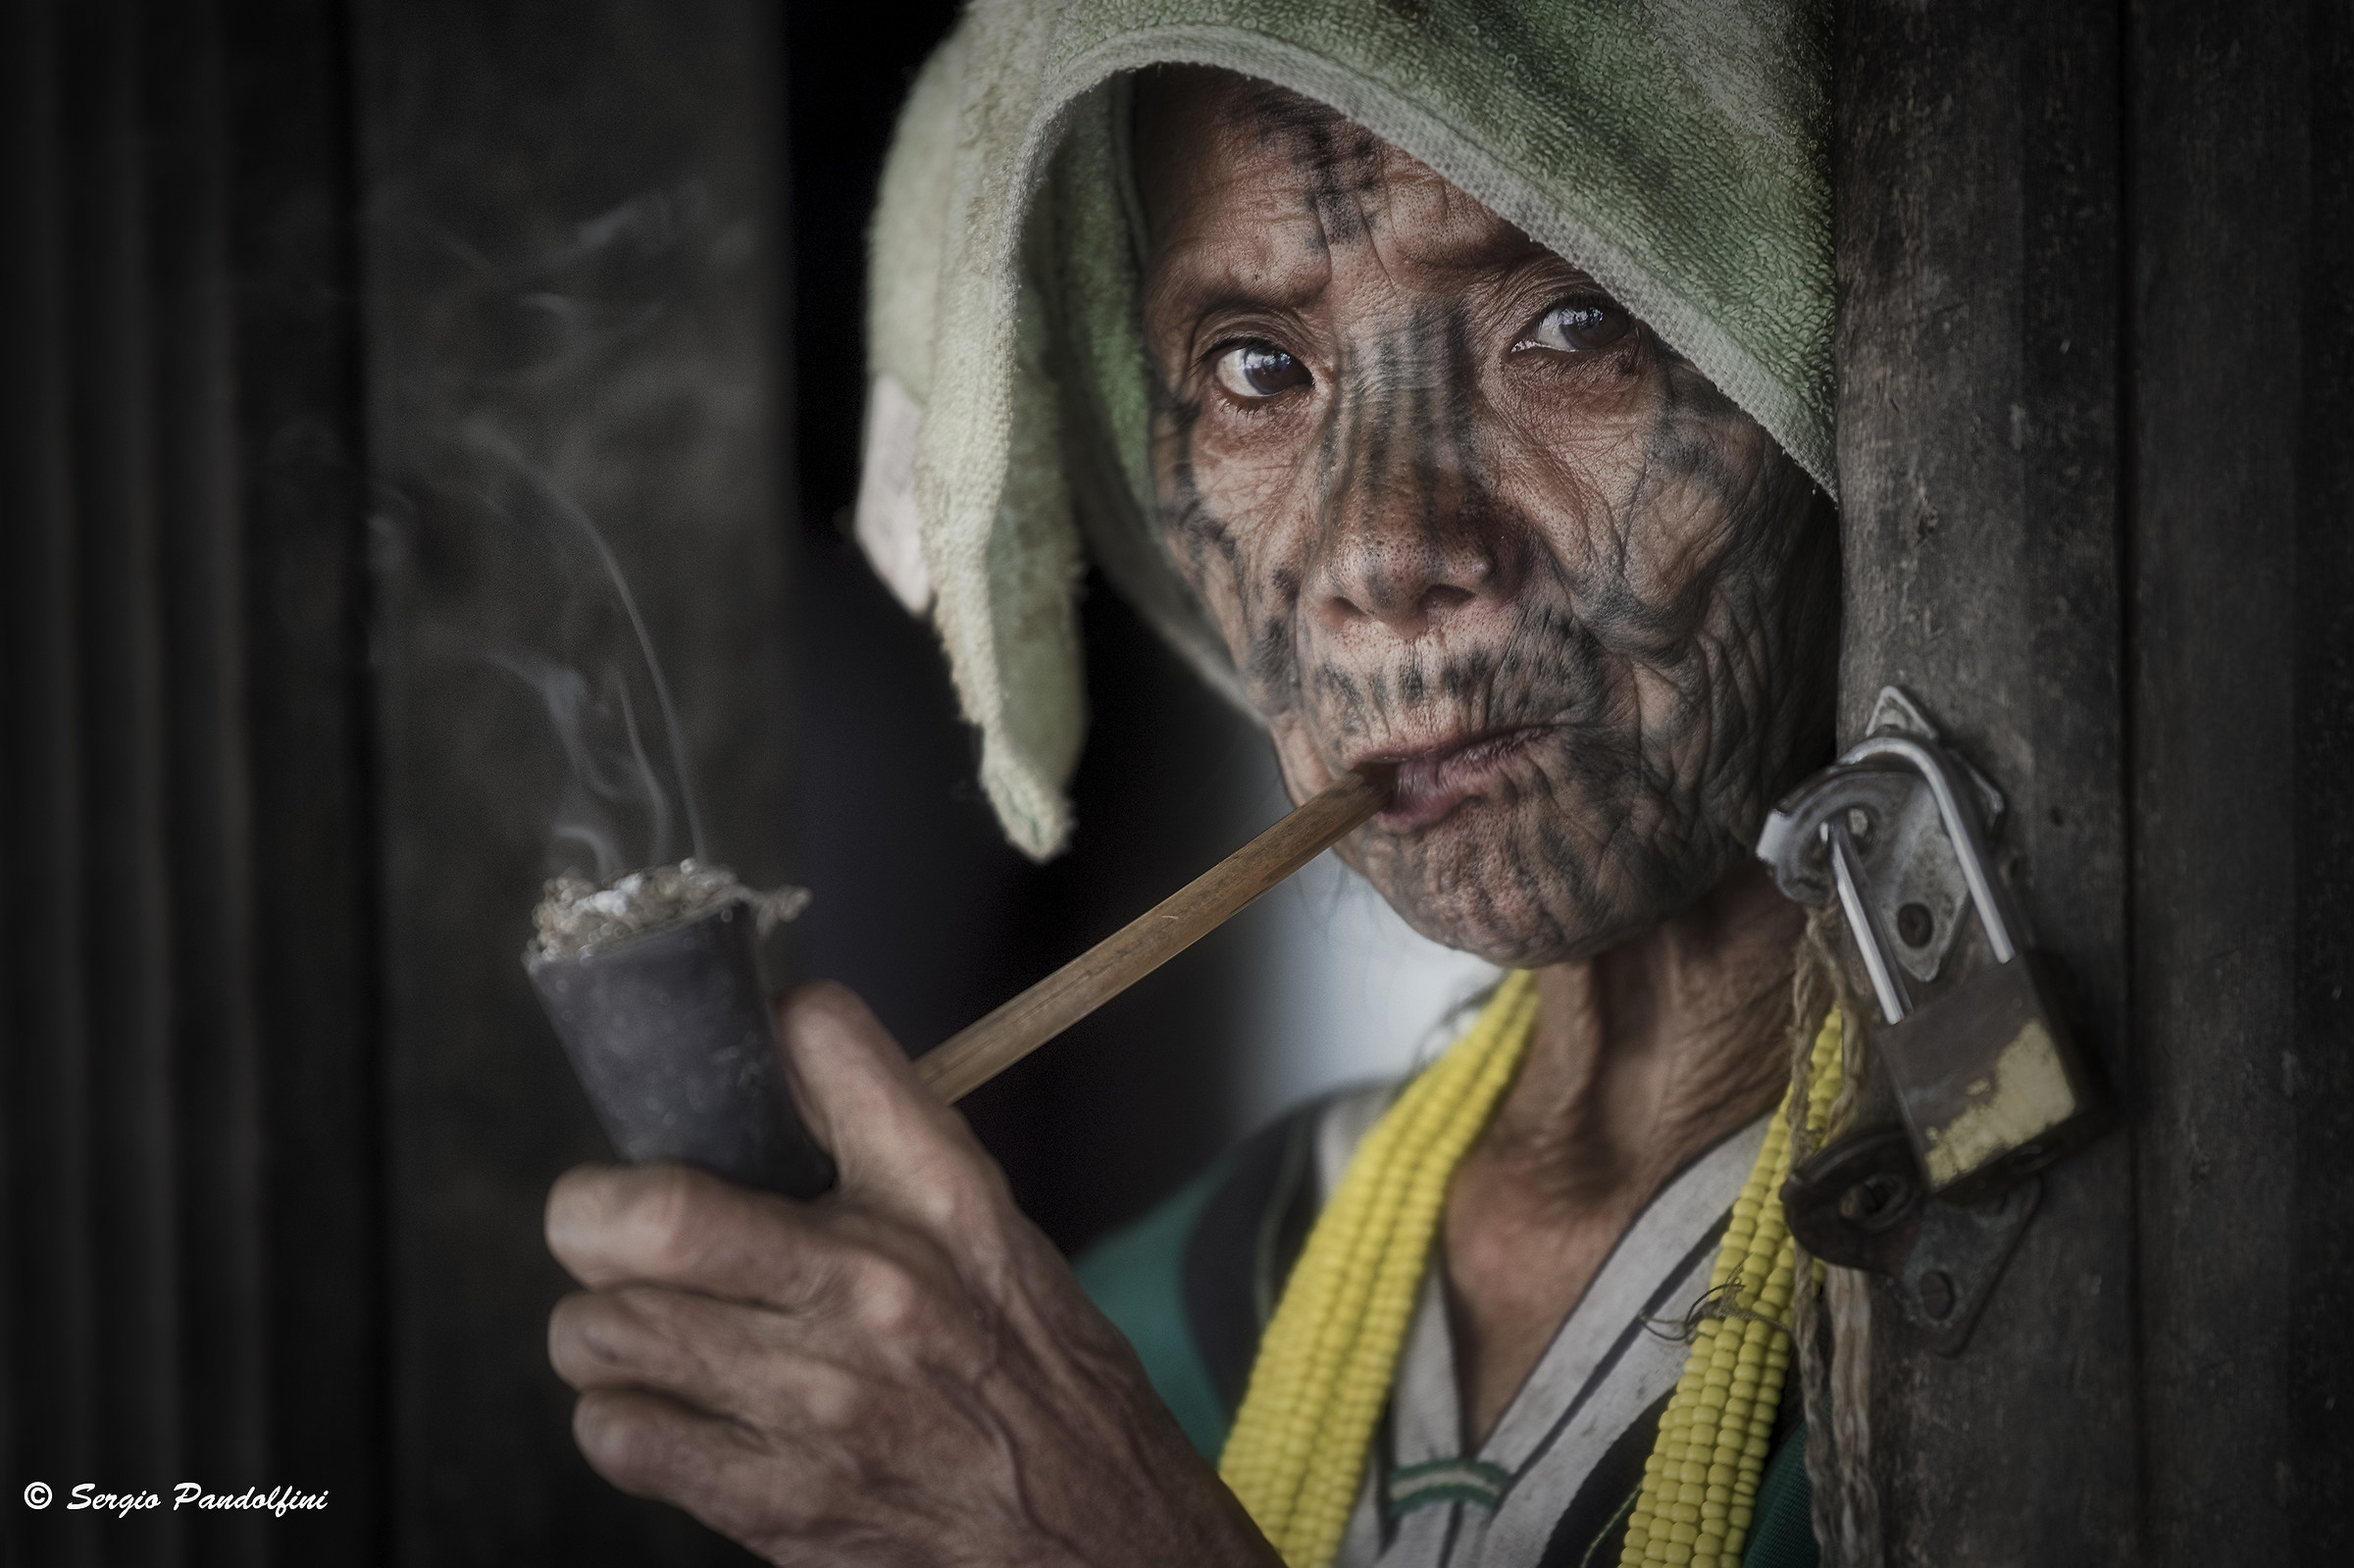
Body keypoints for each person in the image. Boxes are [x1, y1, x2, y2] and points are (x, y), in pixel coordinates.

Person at [542, 4, 1841, 1564]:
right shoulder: (1151, 1324)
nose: (1378, 553)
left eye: (1570, 327)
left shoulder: (2088, 1296)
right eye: (1256, 367)